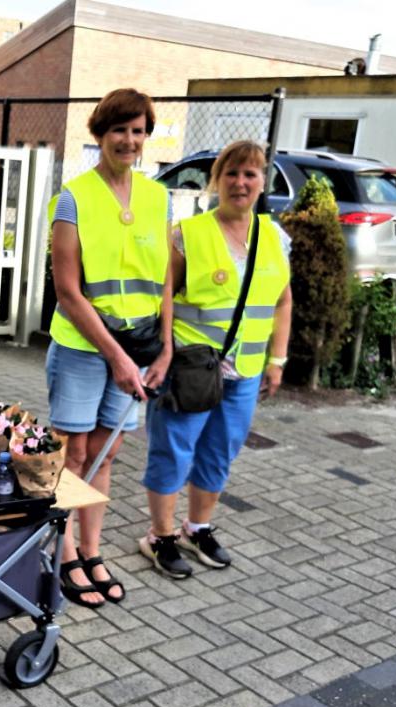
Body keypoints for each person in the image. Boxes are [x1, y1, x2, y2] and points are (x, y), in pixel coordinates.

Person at [139, 140, 292, 579]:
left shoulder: (275, 238)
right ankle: (160, 536)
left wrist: (276, 359)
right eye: (232, 173)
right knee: (173, 450)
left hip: (244, 371)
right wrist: (165, 352)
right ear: (216, 180)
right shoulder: (189, 234)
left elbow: (282, 301)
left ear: (263, 182)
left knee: (220, 451)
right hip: (191, 367)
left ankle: (198, 527)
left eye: (250, 174)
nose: (240, 182)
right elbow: (164, 296)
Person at [47, 88, 173, 608]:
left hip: (139, 348)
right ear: (100, 133)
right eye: (120, 129)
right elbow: (68, 292)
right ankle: (63, 553)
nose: (130, 140)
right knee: (72, 453)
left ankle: (93, 550)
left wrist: (164, 349)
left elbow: (164, 280)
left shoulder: (158, 197)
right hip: (82, 347)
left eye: (139, 130)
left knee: (106, 451)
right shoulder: (74, 197)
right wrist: (117, 356)